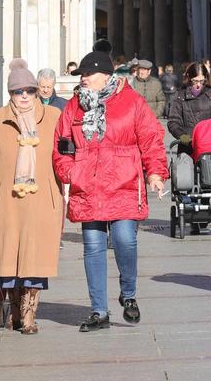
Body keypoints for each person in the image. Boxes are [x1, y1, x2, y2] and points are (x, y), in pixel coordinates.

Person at [53, 51, 168, 332]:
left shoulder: (132, 102)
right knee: (93, 247)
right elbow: (61, 144)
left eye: (88, 74)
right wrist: (70, 171)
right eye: (81, 74)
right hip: (88, 185)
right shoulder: (74, 107)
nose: (83, 78)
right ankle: (99, 311)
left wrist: (155, 172)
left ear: (106, 75)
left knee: (124, 239)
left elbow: (151, 138)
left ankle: (128, 295)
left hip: (123, 182)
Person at [0, 58, 64, 335]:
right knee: (9, 258)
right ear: (10, 94)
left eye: (29, 91)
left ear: (37, 92)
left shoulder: (53, 117)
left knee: (34, 257)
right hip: (6, 200)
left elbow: (64, 157)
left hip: (41, 198)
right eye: (17, 91)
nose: (24, 96)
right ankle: (13, 309)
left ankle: (30, 312)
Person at [167, 61, 211, 156]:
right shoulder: (180, 95)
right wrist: (184, 138)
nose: (198, 85)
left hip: (209, 147)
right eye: (195, 81)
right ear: (189, 78)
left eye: (201, 81)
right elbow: (173, 122)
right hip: (187, 147)